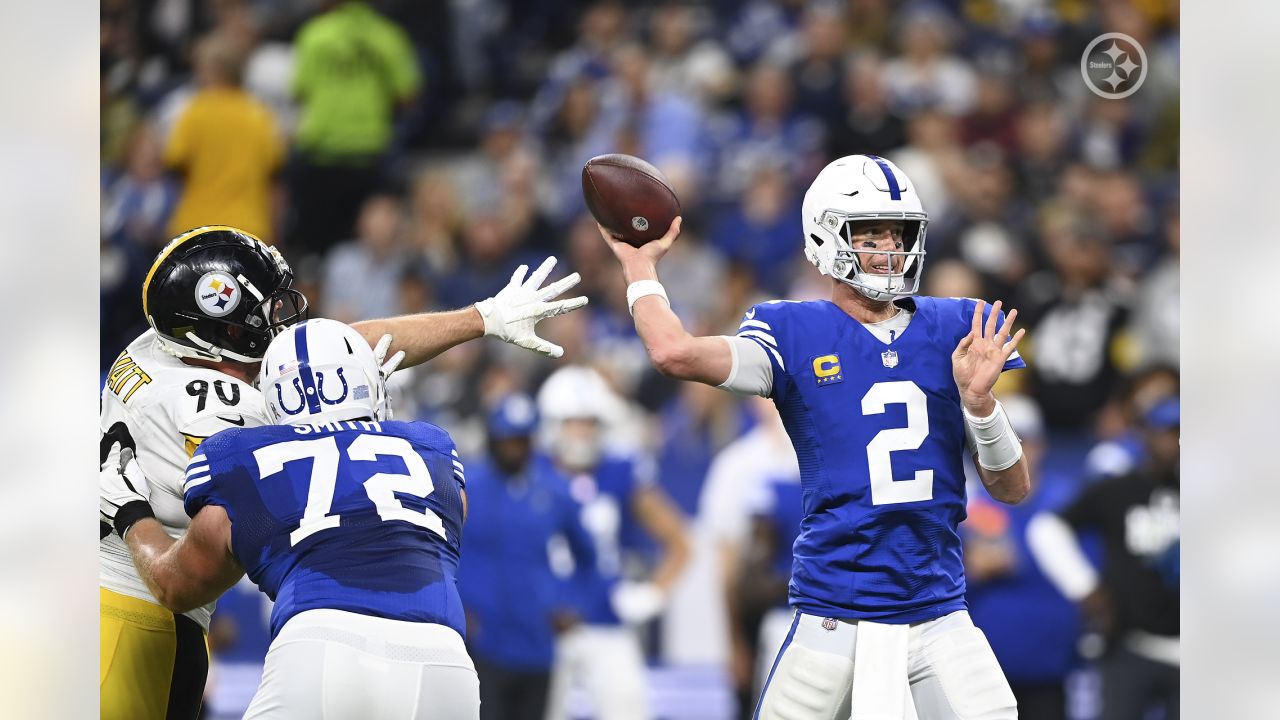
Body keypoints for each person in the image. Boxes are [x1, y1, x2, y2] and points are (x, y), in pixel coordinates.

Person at [601, 154, 1030, 719]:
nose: (889, 251)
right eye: (869, 234)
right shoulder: (793, 331)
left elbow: (1012, 489)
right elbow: (674, 352)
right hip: (836, 609)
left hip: (938, 610)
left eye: (898, 235)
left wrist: (981, 405)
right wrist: (639, 268)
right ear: (825, 238)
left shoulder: (956, 324)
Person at [98, 225, 586, 720]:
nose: (285, 323)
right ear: (223, 332)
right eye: (266, 314)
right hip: (137, 608)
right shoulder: (425, 444)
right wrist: (130, 513)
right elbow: (338, 361)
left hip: (275, 631)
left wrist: (478, 317)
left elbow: (335, 353)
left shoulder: (156, 345)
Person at [101, 318, 480, 718]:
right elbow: (445, 522)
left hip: (320, 646)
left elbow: (177, 586)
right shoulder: (430, 445)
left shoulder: (237, 453)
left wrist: (130, 512)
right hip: (443, 659)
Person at [537, 365, 690, 720]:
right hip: (544, 626)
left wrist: (652, 594)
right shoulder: (529, 472)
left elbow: (681, 541)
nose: (582, 432)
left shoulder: (620, 470)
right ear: (551, 424)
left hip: (606, 620)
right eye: (573, 421)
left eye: (589, 422)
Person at [1027, 397, 1180, 720]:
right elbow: (1047, 529)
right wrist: (1084, 587)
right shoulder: (1120, 489)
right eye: (1167, 432)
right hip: (1131, 642)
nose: (1174, 443)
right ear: (1146, 434)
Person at [456, 394, 598, 720]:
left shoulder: (552, 490)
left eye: (521, 441)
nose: (514, 449)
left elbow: (588, 555)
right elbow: (438, 551)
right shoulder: (467, 486)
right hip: (480, 640)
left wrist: (573, 604)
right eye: (507, 441)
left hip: (536, 641)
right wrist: (454, 609)